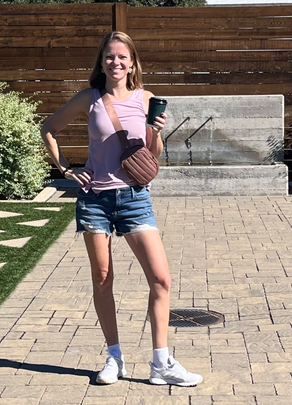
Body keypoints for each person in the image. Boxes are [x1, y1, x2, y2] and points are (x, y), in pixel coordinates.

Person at [40, 31, 203, 387]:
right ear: (101, 63)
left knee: (161, 279)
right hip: (95, 200)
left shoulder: (146, 99)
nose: (115, 62)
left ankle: (161, 363)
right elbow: (48, 128)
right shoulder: (89, 98)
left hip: (134, 198)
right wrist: (67, 170)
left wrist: (155, 131)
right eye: (109, 56)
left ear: (132, 64)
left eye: (122, 57)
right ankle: (114, 357)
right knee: (102, 279)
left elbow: (152, 155)